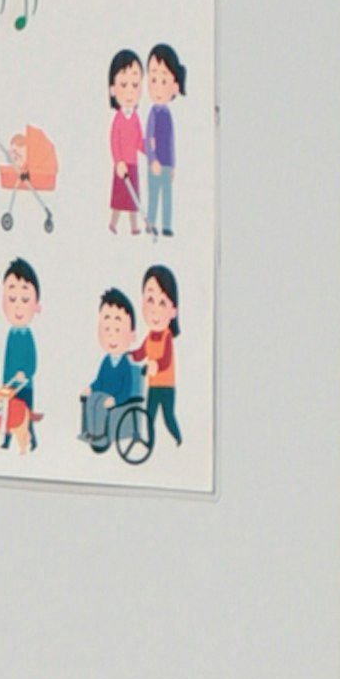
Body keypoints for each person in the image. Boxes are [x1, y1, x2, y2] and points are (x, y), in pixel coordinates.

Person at [85, 289, 143, 455]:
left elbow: (126, 389)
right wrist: (90, 388)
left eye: (117, 331)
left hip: (119, 398)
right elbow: (99, 381)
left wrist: (116, 399)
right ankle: (93, 432)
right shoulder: (106, 361)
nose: (111, 336)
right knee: (92, 400)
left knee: (102, 403)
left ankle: (101, 434)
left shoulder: (125, 364)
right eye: (107, 330)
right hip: (103, 394)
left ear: (131, 335)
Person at [0, 253, 42, 450]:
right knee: (8, 411)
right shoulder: (11, 334)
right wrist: (5, 379)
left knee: (25, 412)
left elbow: (32, 359)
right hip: (9, 382)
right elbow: (7, 359)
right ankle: (6, 439)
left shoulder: (27, 335)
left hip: (25, 384)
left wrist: (26, 372)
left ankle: (32, 438)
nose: (17, 306)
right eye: (12, 298)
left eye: (24, 299)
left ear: (36, 306)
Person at [138, 261, 182, 450]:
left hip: (166, 386)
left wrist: (154, 365)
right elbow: (141, 352)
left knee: (168, 416)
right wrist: (130, 355)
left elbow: (165, 360)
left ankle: (178, 437)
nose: (155, 309)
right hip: (153, 386)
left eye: (162, 302)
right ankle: (150, 442)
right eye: (150, 300)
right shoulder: (149, 337)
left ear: (173, 311)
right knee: (149, 415)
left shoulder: (166, 337)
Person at [143, 42, 183, 240]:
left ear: (174, 87)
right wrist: (152, 160)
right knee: (153, 195)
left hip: (167, 163)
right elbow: (149, 138)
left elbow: (171, 141)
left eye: (163, 80)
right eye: (153, 79)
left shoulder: (167, 114)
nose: (158, 86)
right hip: (156, 164)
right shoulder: (153, 113)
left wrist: (173, 164)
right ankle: (150, 223)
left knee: (167, 196)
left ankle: (166, 225)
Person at [107, 47, 146, 236]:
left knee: (133, 199)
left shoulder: (136, 118)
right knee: (119, 199)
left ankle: (134, 226)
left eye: (135, 85)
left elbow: (139, 140)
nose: (130, 91)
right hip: (122, 165)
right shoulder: (119, 118)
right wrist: (118, 162)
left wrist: (149, 150)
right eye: (124, 85)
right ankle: (113, 223)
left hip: (133, 163)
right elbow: (114, 141)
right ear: (113, 89)